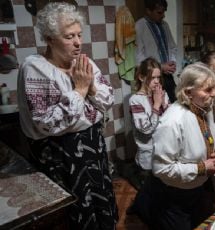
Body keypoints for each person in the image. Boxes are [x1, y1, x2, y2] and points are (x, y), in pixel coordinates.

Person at [17, 2, 118, 229]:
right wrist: (80, 90)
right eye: (69, 36)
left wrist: (90, 88)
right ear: (50, 39)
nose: (78, 42)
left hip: (92, 147)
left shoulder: (84, 63)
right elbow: (45, 122)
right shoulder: (35, 69)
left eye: (79, 35)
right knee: (74, 212)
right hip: (61, 154)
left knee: (100, 204)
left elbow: (107, 99)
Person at [149, 62, 215, 230]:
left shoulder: (204, 108)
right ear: (188, 92)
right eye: (207, 90)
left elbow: (208, 139)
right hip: (175, 195)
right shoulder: (172, 121)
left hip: (199, 188)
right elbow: (161, 169)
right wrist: (202, 167)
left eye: (214, 88)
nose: (214, 94)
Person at [127, 57, 169, 216]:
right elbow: (145, 129)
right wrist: (157, 106)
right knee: (149, 187)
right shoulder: (136, 100)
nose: (157, 82)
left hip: (164, 149)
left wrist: (165, 105)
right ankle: (140, 209)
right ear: (142, 77)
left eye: (159, 77)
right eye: (153, 78)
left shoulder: (161, 95)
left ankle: (142, 208)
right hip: (148, 153)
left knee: (159, 188)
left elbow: (169, 121)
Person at [135, 0, 177, 102]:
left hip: (168, 76)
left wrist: (172, 63)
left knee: (175, 104)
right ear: (148, 11)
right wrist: (161, 67)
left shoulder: (164, 25)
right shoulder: (139, 26)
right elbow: (138, 56)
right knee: (157, 107)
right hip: (151, 77)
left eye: (164, 12)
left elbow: (172, 47)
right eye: (159, 12)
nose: (163, 15)